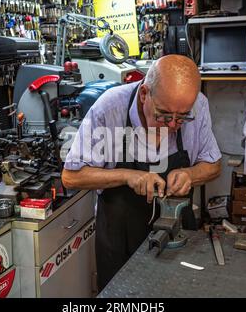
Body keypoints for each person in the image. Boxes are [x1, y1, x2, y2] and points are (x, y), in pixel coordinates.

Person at [61, 55, 222, 291]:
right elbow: (71, 176)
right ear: (145, 94)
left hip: (176, 237)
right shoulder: (110, 108)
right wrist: (128, 176)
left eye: (181, 118)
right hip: (119, 240)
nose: (172, 125)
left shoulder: (197, 106)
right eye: (164, 115)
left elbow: (213, 165)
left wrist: (190, 174)